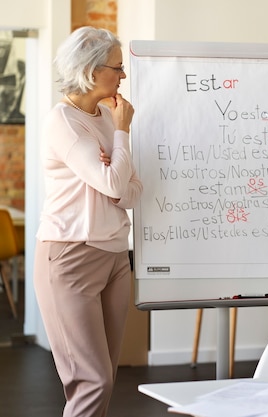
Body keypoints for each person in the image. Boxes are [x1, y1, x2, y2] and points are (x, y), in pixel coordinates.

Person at [34, 26, 142, 417]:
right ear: (92, 71)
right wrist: (123, 135)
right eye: (118, 67)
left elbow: (128, 193)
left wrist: (115, 161)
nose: (123, 76)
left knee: (106, 378)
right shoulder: (63, 121)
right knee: (90, 381)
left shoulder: (105, 119)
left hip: (115, 256)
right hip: (70, 256)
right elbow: (115, 182)